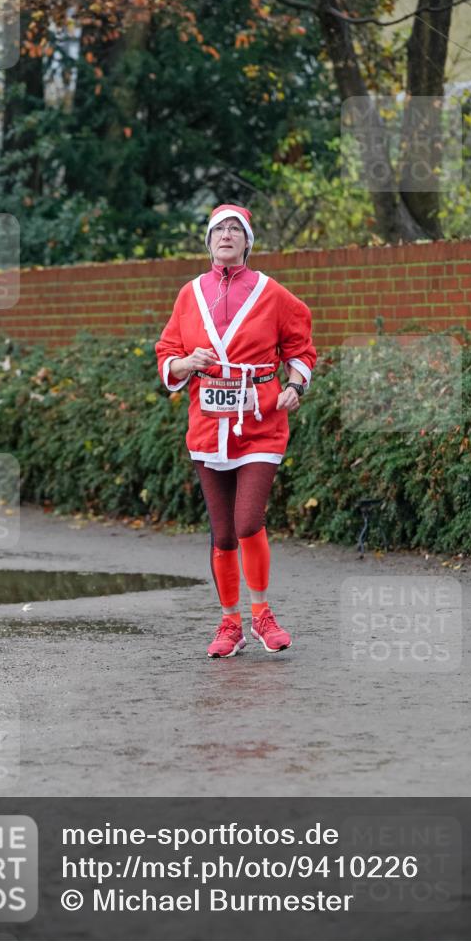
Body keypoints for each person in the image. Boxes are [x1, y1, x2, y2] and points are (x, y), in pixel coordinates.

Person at [156, 204, 317, 658]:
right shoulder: (189, 294)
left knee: (248, 522)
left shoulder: (271, 292)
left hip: (261, 419)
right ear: (208, 243)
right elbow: (168, 349)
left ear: (247, 241)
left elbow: (301, 346)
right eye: (218, 230)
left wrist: (295, 384)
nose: (226, 236)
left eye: (235, 230)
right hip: (208, 426)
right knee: (222, 534)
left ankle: (262, 613)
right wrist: (186, 363)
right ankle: (230, 623)